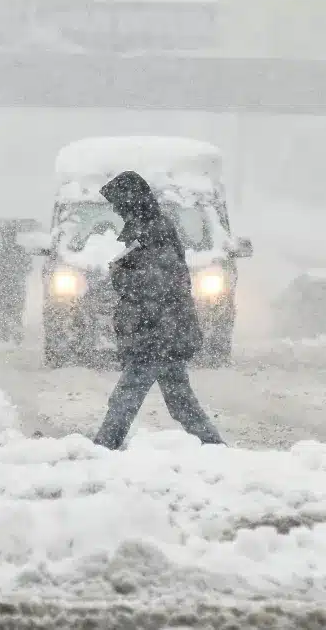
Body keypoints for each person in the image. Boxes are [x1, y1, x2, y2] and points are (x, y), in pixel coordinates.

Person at [93, 171, 225, 450]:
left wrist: (121, 274)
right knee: (180, 402)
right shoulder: (149, 228)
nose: (116, 209)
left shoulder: (153, 231)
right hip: (163, 331)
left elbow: (158, 283)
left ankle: (102, 449)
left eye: (118, 203)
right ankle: (214, 447)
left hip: (156, 333)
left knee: (126, 399)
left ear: (131, 202)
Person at [0, 229, 31, 343]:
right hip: (14, 287)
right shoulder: (20, 251)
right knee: (15, 312)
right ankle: (16, 335)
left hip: (2, 287)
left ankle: (4, 335)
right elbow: (28, 267)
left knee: (3, 312)